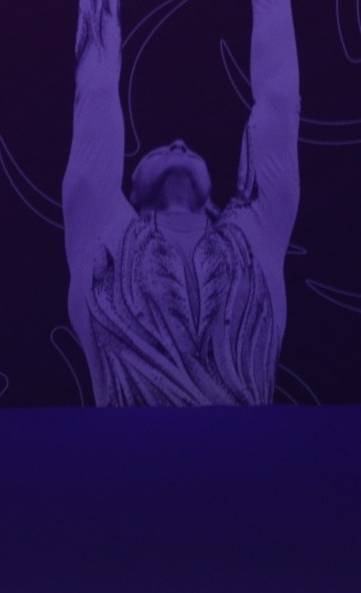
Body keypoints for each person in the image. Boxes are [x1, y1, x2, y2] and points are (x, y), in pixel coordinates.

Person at [63, 0, 299, 406]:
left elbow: (279, 99)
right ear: (130, 193)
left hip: (248, 444)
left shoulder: (256, 236)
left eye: (187, 148)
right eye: (157, 152)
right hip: (130, 445)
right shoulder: (102, 230)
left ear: (211, 197)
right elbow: (96, 87)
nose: (177, 143)